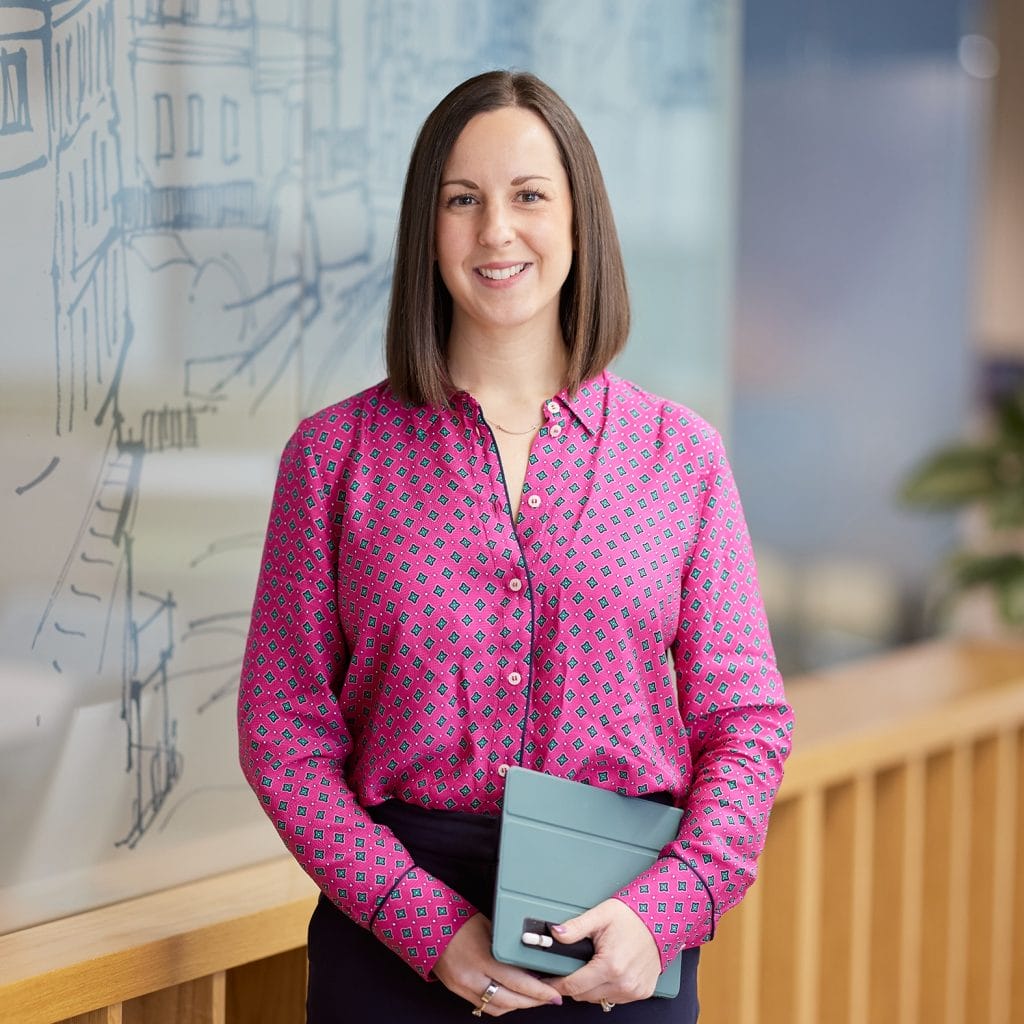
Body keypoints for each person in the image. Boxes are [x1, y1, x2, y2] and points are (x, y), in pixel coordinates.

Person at [237, 70, 793, 1022]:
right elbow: (282, 732)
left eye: (529, 196)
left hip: (618, 940)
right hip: (393, 946)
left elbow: (745, 723)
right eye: (464, 201)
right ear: (429, 228)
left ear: (580, 224)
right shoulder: (335, 456)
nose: (497, 231)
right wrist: (423, 922)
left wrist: (668, 910)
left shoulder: (682, 459)